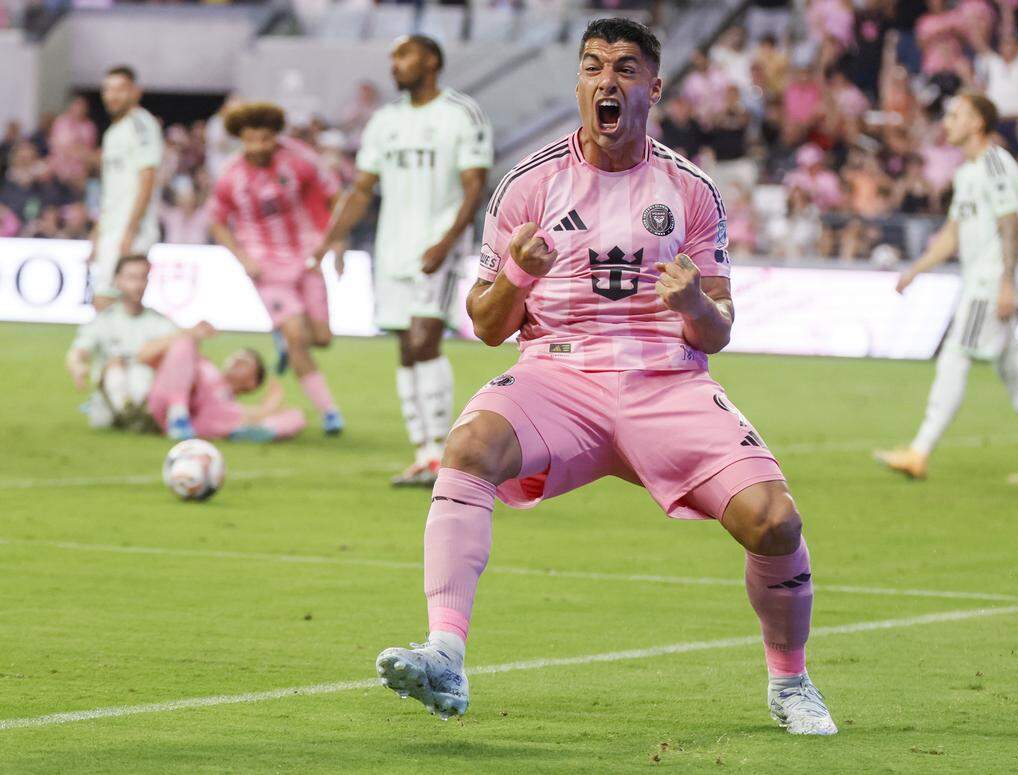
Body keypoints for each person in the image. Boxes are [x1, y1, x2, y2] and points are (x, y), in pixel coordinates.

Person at [373, 18, 837, 736]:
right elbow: (489, 325)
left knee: (775, 523)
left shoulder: (690, 190)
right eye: (592, 66)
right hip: (558, 377)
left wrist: (690, 305)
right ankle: (445, 651)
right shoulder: (529, 184)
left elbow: (721, 325)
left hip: (666, 381)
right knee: (466, 450)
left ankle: (791, 681)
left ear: (654, 86)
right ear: (580, 84)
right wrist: (522, 273)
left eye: (624, 67)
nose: (606, 80)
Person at [314, 35, 493, 486]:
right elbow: (361, 189)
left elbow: (475, 185)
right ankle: (424, 454)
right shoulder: (384, 122)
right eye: (393, 57)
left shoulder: (460, 113)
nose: (395, 64)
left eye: (404, 55)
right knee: (404, 346)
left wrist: (447, 241)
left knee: (424, 338)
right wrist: (329, 239)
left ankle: (443, 452)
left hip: (438, 245)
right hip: (391, 248)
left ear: (431, 60)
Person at [874, 93, 1018, 485]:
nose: (947, 123)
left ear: (977, 122)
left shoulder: (996, 163)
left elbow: (1012, 223)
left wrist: (1008, 282)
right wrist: (917, 269)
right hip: (980, 281)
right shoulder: (966, 173)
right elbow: (952, 236)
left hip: (988, 284)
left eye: (956, 115)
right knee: (1013, 371)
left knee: (955, 356)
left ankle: (919, 450)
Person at [208, 102, 345, 435]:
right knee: (297, 336)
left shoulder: (300, 159)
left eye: (265, 139)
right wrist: (244, 259)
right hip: (266, 268)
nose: (258, 147)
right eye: (251, 140)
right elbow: (217, 221)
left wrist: (337, 244)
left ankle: (284, 341)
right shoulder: (231, 175)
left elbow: (334, 197)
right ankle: (330, 413)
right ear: (241, 139)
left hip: (308, 257)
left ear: (275, 136)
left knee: (322, 339)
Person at [66, 253, 179, 430]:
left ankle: (140, 415)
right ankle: (133, 416)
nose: (138, 285)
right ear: (118, 280)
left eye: (143, 278)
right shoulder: (105, 319)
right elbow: (79, 350)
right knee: (114, 368)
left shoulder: (160, 322)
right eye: (132, 278)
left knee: (142, 372)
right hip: (108, 400)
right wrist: (77, 366)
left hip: (146, 390)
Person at [89, 66, 163, 312]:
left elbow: (148, 178)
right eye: (108, 89)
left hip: (132, 227)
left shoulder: (141, 124)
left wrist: (130, 230)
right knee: (112, 302)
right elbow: (114, 191)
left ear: (135, 92)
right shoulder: (113, 132)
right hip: (113, 227)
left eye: (120, 89)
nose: (112, 95)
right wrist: (99, 231)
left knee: (110, 300)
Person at [144, 332, 305, 443]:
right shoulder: (205, 365)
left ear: (252, 383)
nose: (237, 360)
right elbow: (149, 358)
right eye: (237, 355)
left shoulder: (228, 403)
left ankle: (255, 431)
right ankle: (178, 414)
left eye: (245, 362)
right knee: (185, 342)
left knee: (296, 415)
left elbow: (247, 413)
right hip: (169, 399)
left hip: (205, 420)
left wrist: (270, 408)